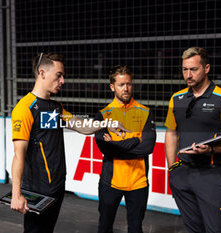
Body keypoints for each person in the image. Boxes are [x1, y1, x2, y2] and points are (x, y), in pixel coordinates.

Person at [10, 53, 129, 233]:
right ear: (42, 73)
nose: (63, 80)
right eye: (59, 75)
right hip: (37, 189)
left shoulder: (55, 107)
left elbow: (81, 126)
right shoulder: (25, 109)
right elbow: (19, 154)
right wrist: (16, 194)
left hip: (57, 187)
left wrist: (107, 123)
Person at [164, 47, 221, 233]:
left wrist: (212, 150)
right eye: (185, 69)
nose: (188, 74)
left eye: (193, 69)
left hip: (211, 175)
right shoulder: (177, 98)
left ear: (206, 68)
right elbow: (171, 133)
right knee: (193, 229)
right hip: (182, 174)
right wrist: (171, 167)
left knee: (215, 230)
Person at [94, 65, 156, 233]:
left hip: (138, 182)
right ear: (112, 87)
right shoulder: (103, 115)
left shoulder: (145, 112)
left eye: (128, 84)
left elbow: (148, 147)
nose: (126, 88)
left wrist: (116, 145)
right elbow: (105, 149)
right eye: (121, 85)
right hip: (110, 182)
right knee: (104, 227)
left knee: (136, 228)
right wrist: (135, 140)